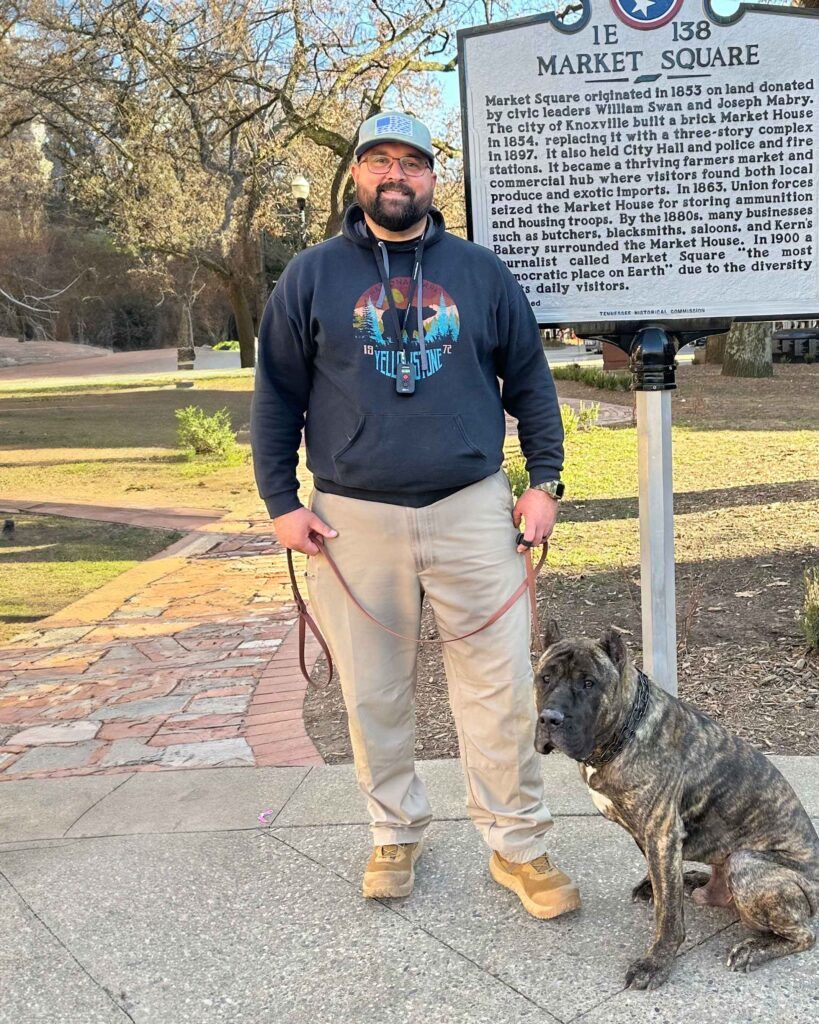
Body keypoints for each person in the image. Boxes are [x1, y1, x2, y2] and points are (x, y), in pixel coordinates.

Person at [251, 111, 578, 920]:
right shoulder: (310, 275)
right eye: (378, 162)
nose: (394, 176)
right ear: (357, 176)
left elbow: (530, 382)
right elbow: (277, 395)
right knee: (371, 692)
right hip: (351, 518)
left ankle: (520, 848)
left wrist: (545, 483)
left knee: (499, 692)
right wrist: (281, 504)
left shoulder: (480, 272)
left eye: (411, 163)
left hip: (471, 511)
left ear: (433, 178)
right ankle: (394, 831)